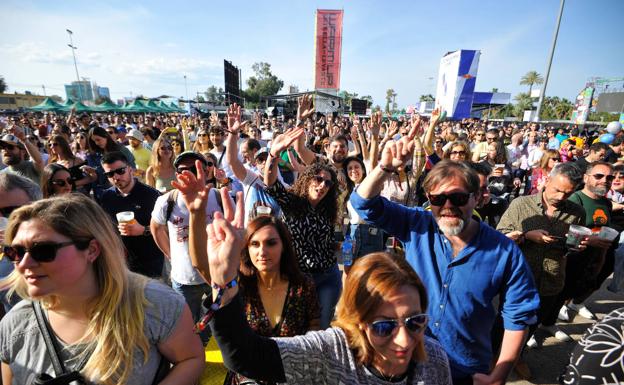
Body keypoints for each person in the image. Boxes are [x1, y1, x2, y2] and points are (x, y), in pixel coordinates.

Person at [351, 155, 539, 383]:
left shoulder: (505, 251)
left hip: (463, 369)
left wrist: (499, 375)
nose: (447, 206)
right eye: (438, 199)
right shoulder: (416, 223)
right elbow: (363, 204)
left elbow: (518, 317)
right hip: (406, 357)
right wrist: (384, 167)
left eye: (458, 197)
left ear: (477, 198)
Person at [206, 211, 453, 384]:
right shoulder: (333, 352)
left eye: (415, 322)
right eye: (384, 327)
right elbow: (246, 355)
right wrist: (223, 282)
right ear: (357, 321)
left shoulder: (435, 360)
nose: (404, 340)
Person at [0, 194, 204, 384]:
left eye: (43, 250)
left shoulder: (154, 304)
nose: (24, 263)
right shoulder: (14, 325)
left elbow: (191, 359)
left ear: (91, 250)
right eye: (15, 252)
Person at [496, 163, 586, 368]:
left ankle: (517, 356)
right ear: (546, 180)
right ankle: (498, 359)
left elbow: (572, 244)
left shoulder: (577, 211)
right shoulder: (521, 204)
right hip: (517, 280)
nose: (562, 197)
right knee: (505, 324)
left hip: (552, 280)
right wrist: (527, 236)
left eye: (568, 193)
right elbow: (500, 235)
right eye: (558, 190)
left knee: (533, 323)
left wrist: (576, 246)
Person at [264, 127, 341, 329]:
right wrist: (273, 154)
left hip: (328, 276)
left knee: (321, 327)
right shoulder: (292, 202)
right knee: (296, 326)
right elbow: (270, 183)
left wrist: (337, 246)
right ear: (307, 180)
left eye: (327, 183)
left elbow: (325, 241)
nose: (322, 185)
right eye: (318, 179)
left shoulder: (328, 210)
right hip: (297, 277)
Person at [150, 151, 228, 343]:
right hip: (184, 277)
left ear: (207, 171)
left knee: (222, 318)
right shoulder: (167, 201)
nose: (189, 174)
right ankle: (197, 352)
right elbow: (156, 227)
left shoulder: (217, 198)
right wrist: (170, 255)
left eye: (195, 169)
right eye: (182, 170)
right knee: (190, 324)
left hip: (215, 275)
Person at [558, 161, 618, 322]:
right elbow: (561, 231)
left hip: (594, 258)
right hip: (572, 258)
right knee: (560, 293)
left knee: (586, 286)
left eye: (609, 177)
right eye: (599, 176)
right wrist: (589, 240)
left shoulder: (606, 203)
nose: (605, 180)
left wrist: (602, 257)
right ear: (586, 177)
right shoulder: (575, 199)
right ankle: (546, 323)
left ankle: (571, 306)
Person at [100, 151, 164, 278]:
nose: (116, 177)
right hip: (121, 264)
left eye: (120, 171)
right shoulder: (106, 196)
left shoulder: (152, 195)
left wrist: (143, 230)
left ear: (130, 169)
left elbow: (167, 228)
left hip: (150, 263)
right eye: (110, 174)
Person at [344, 156, 384, 260]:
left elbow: (372, 161)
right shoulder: (347, 190)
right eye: (350, 168)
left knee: (371, 270)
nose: (353, 170)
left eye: (356, 167)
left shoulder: (370, 188)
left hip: (370, 235)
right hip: (350, 233)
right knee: (347, 266)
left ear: (363, 170)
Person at [86, 126, 136, 201]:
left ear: (105, 136)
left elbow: (133, 169)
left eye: (98, 139)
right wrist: (92, 172)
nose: (96, 143)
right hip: (102, 193)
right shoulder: (93, 155)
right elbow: (94, 178)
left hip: (123, 191)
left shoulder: (121, 150)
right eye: (93, 141)